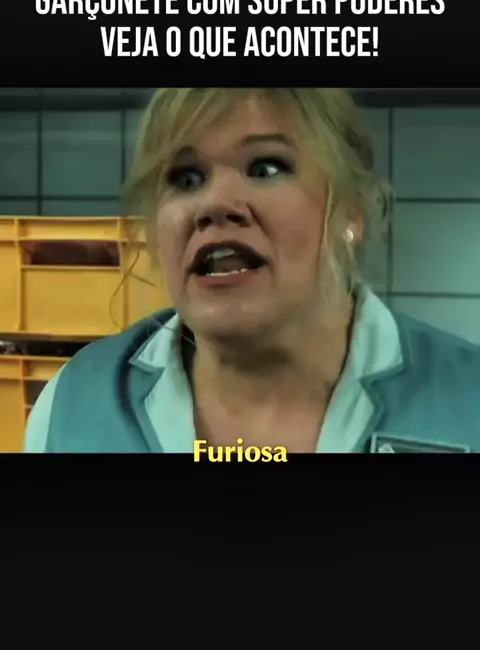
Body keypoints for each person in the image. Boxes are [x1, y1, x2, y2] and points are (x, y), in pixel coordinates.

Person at [24, 88, 480, 455]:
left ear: (351, 212)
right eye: (186, 178)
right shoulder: (74, 405)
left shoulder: (466, 400)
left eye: (265, 168)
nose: (215, 203)